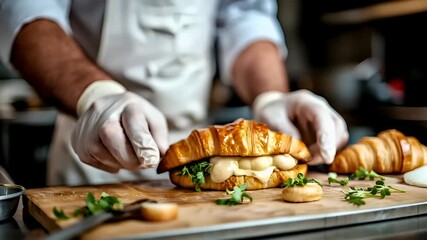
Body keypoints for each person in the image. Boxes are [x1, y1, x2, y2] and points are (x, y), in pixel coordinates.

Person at [0, 0, 349, 186]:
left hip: (203, 155)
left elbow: (244, 18)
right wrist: (97, 95)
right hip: (93, 161)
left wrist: (271, 96)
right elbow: (26, 13)